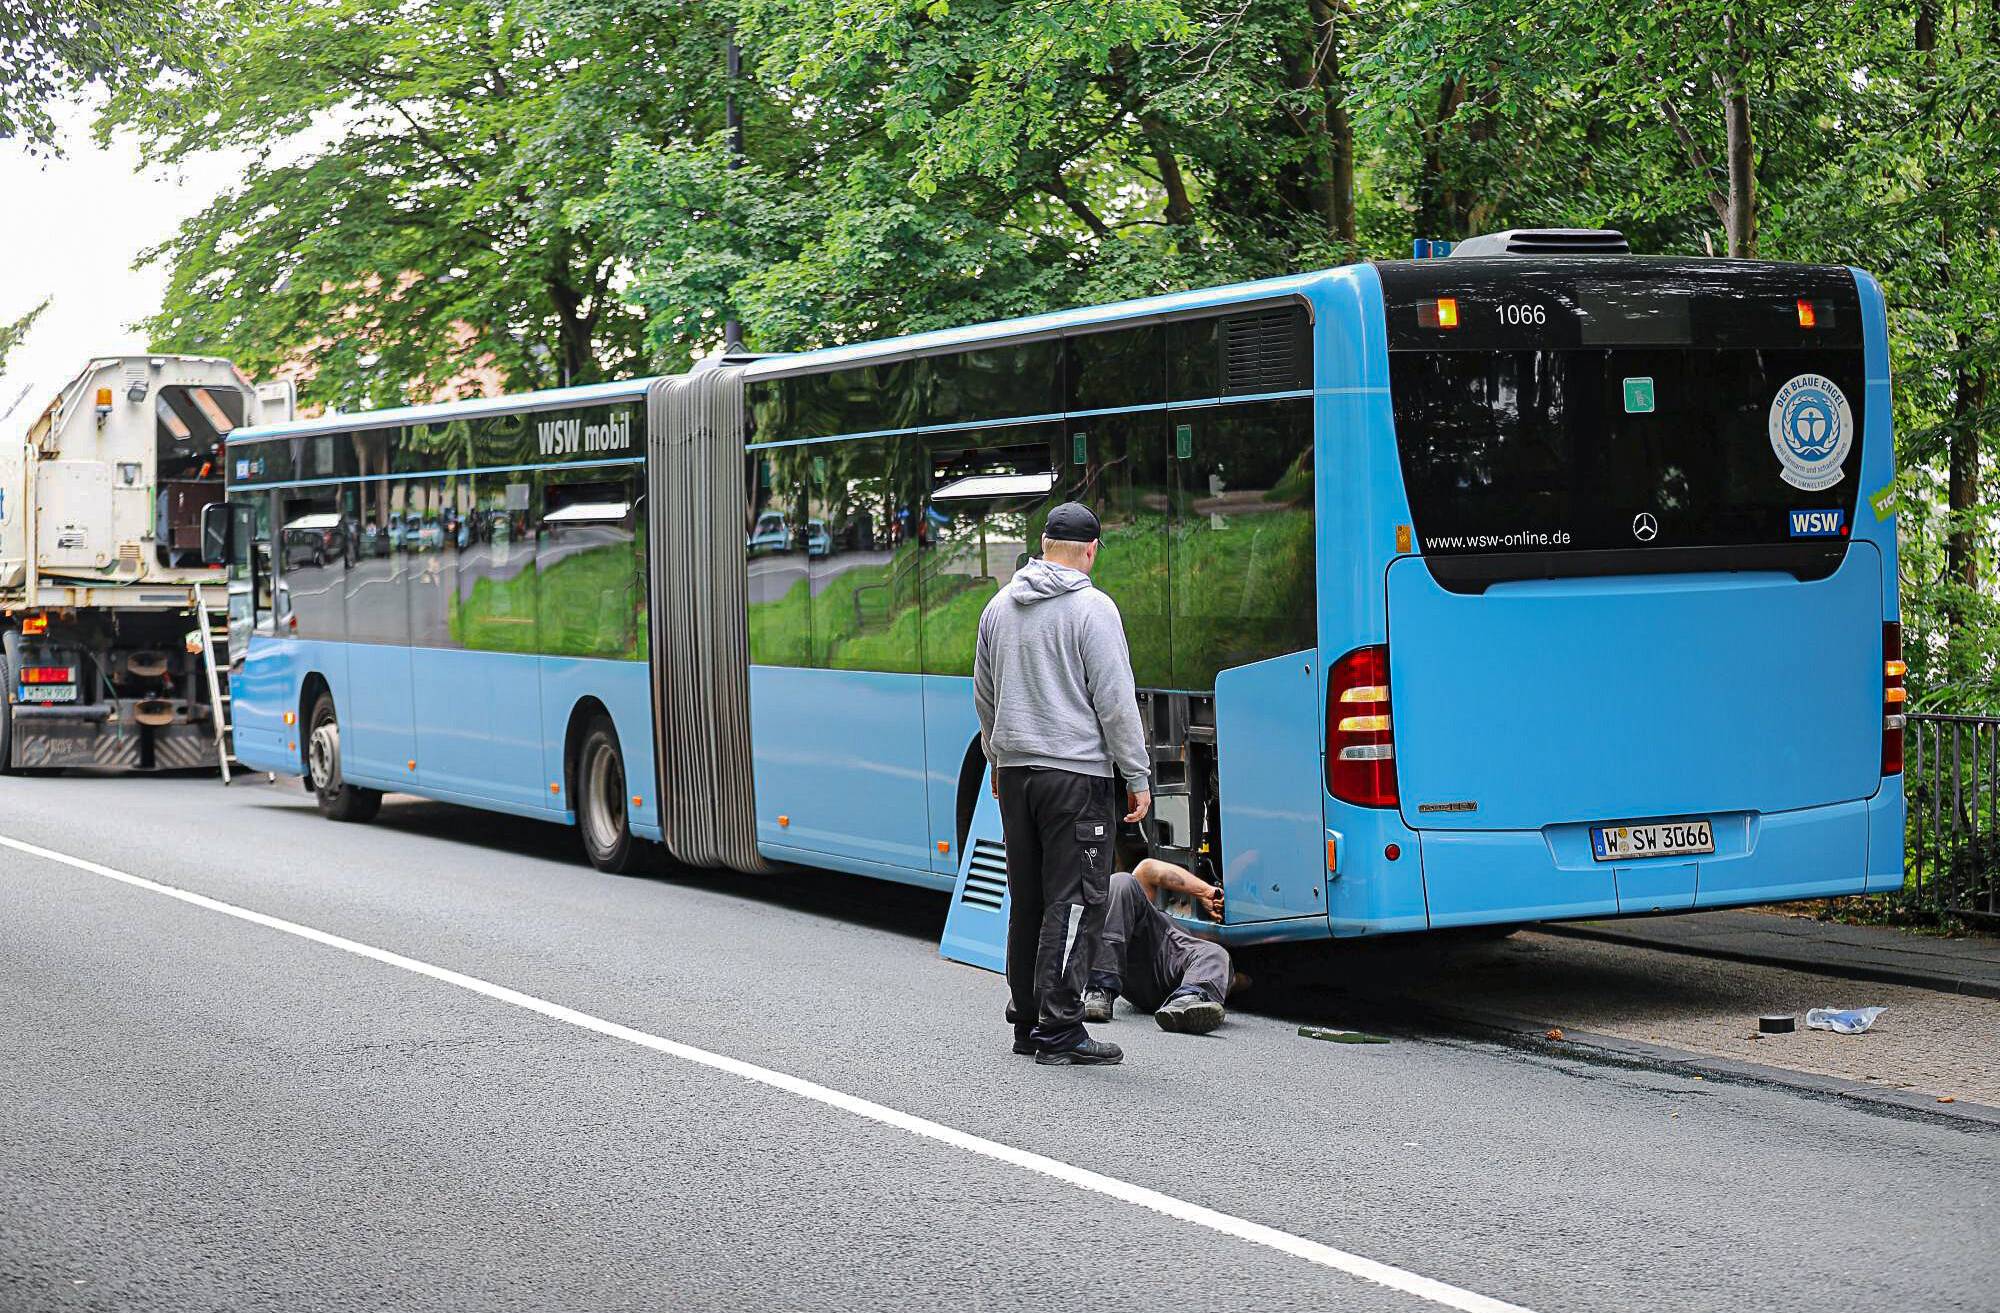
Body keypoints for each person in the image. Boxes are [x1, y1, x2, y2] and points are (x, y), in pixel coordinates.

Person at [974, 501, 1151, 1067]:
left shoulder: (999, 607)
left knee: (1027, 900)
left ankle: (1027, 1020)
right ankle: (1059, 1027)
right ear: (1091, 550)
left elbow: (984, 694)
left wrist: (997, 757)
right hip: (1075, 777)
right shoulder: (1093, 609)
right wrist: (1136, 773)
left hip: (1017, 777)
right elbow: (1115, 700)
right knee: (1075, 901)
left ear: (1044, 545)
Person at [1083, 858, 1234, 1035]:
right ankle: (1099, 990)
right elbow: (1149, 869)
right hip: (1142, 956)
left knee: (1216, 954)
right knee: (1121, 881)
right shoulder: (1150, 912)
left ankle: (1187, 1002)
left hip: (1185, 976)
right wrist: (1206, 892)